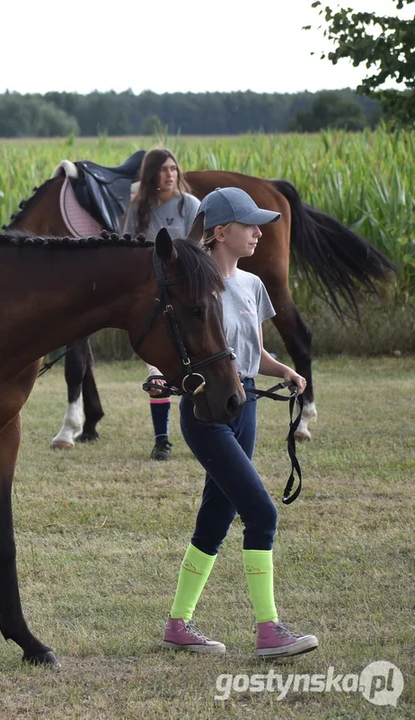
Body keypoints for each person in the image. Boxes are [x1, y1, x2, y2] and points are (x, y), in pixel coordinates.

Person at [161, 187, 318, 659]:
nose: (259, 231)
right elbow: (182, 341)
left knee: (217, 516)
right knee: (262, 512)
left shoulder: (252, 285)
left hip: (244, 404)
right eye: (250, 224)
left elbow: (252, 352)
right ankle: (269, 629)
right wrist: (159, 377)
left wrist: (286, 370)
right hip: (206, 411)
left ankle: (177, 625)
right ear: (221, 232)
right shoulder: (197, 287)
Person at [121, 148, 202, 461]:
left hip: (187, 301)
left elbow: (202, 254)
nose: (170, 174)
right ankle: (162, 441)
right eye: (163, 169)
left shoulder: (189, 206)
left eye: (174, 168)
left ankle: (203, 432)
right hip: (155, 304)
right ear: (151, 175)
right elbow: (127, 251)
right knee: (157, 374)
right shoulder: (137, 210)